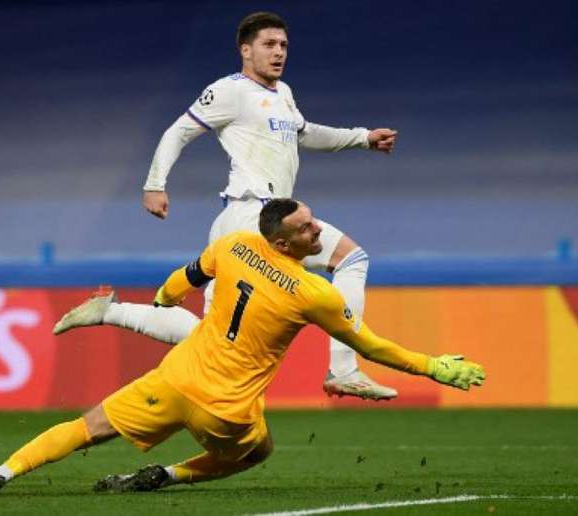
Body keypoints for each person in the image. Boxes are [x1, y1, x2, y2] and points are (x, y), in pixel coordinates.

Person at [0, 199, 485, 496]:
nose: (319, 233)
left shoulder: (235, 245)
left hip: (174, 380)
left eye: (314, 223)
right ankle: (169, 477)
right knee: (258, 453)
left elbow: (183, 278)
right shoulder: (315, 291)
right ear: (283, 242)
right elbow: (373, 345)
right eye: (308, 227)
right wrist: (433, 367)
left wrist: (163, 298)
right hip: (225, 412)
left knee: (87, 427)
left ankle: (0, 473)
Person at [106, 11, 400, 401]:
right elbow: (178, 132)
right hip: (250, 216)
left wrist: (362, 138)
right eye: (269, 44)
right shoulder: (230, 91)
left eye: (283, 46)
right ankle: (343, 369)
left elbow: (306, 133)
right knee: (347, 261)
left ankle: (109, 312)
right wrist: (154, 185)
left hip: (267, 219)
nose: (279, 53)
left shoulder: (284, 93)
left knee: (216, 333)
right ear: (246, 50)